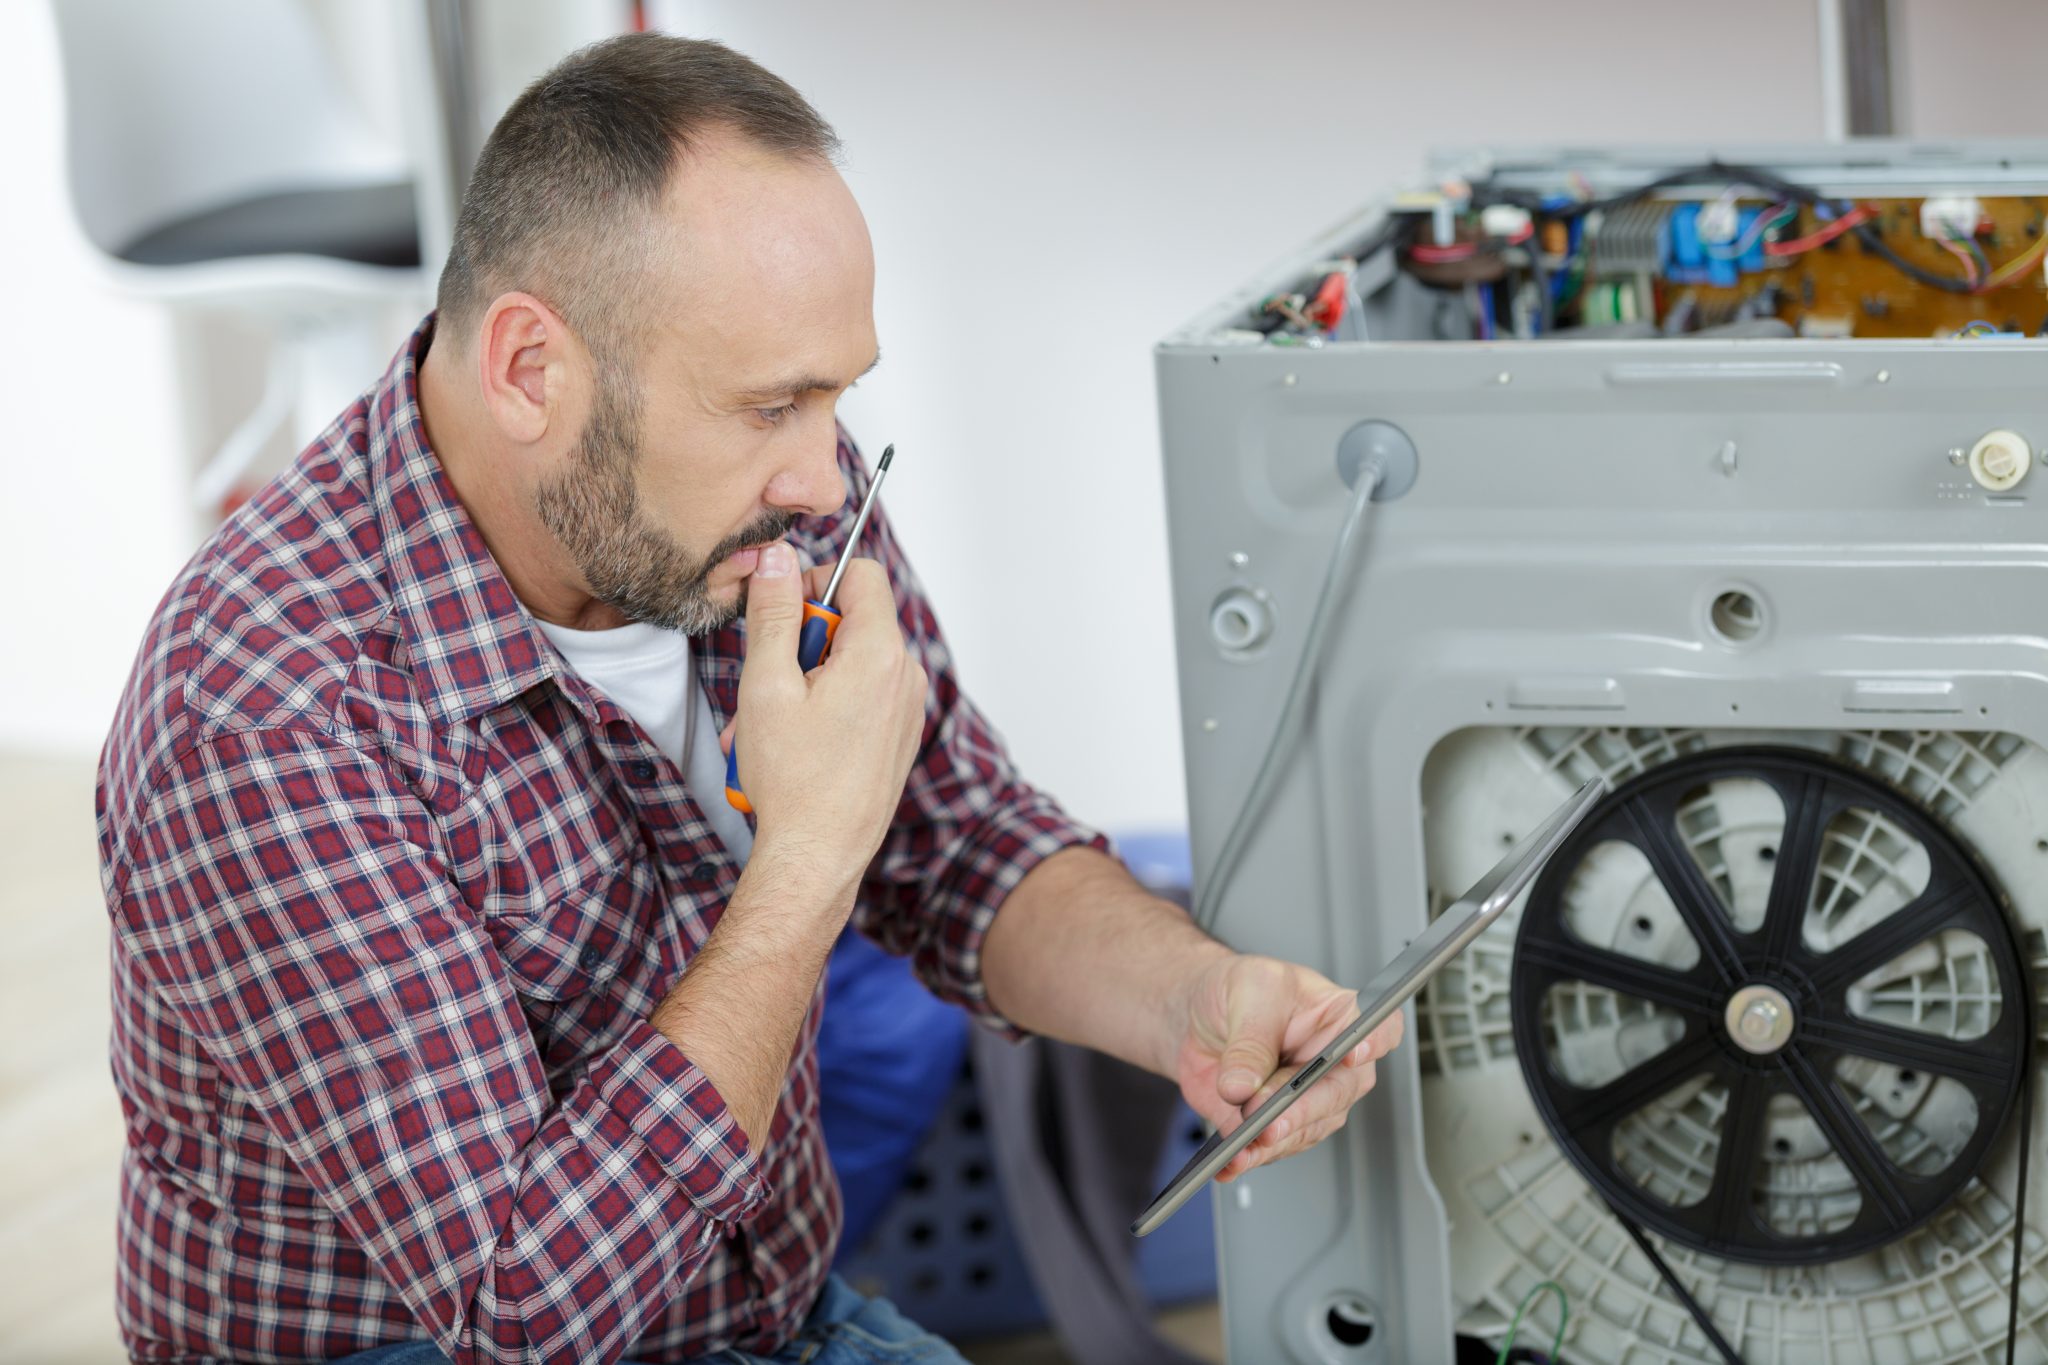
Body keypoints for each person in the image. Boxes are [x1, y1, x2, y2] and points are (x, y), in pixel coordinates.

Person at [95, 33, 1402, 1365]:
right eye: (770, 404)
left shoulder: (762, 516)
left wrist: (1194, 997)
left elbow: (964, 844)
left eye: (834, 396)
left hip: (757, 1308)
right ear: (531, 370)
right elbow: (524, 1309)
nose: (827, 480)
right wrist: (805, 866)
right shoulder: (268, 717)